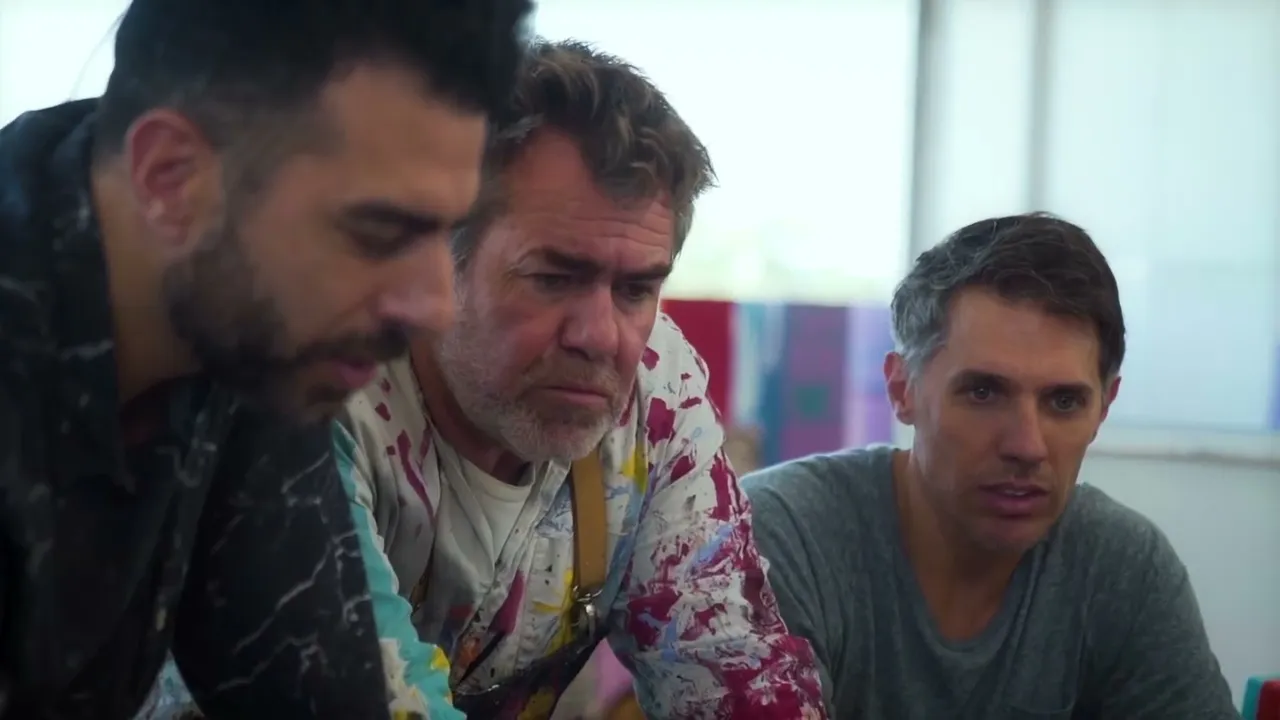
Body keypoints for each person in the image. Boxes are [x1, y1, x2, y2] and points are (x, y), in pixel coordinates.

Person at [0, 0, 532, 716]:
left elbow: (321, 699)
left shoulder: (244, 333)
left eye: (445, 233)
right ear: (170, 177)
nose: (436, 306)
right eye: (378, 230)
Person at [336, 39, 827, 719]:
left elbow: (733, 670)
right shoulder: (322, 381)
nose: (600, 335)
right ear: (432, 264)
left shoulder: (657, 395)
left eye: (636, 289)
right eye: (553, 278)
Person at [742, 213, 1240, 719]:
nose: (1027, 446)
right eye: (983, 393)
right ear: (902, 390)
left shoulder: (1125, 570)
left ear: (1103, 408)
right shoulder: (776, 539)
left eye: (1064, 402)